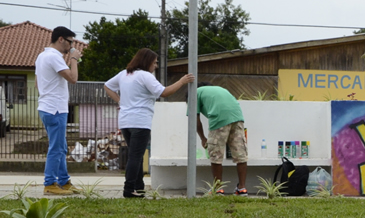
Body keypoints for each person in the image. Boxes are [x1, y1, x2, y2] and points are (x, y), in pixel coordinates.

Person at [104, 48, 194, 198]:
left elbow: (107, 86)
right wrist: (182, 81)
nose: (156, 66)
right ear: (147, 62)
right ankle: (129, 189)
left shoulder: (124, 74)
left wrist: (120, 101)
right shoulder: (145, 76)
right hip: (140, 121)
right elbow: (163, 92)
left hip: (125, 121)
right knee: (136, 156)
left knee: (136, 155)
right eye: (155, 62)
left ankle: (138, 188)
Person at [36, 26, 83, 195]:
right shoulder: (54, 57)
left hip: (46, 107)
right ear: (61, 39)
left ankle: (64, 181)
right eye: (70, 42)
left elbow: (36, 84)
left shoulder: (42, 56)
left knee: (61, 147)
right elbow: (73, 78)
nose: (71, 47)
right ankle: (50, 183)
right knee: (56, 148)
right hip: (55, 109)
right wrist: (74, 59)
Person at [196, 83, 248, 195]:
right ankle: (242, 188)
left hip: (219, 118)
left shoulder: (195, 93)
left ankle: (218, 189)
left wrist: (203, 138)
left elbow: (195, 120)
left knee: (216, 154)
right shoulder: (218, 89)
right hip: (237, 116)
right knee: (240, 153)